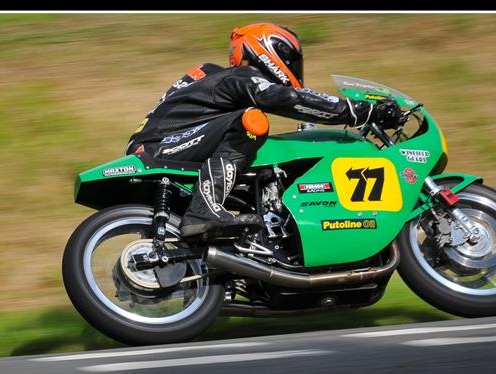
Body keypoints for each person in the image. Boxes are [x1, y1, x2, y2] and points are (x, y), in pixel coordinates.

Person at [125, 22, 403, 239]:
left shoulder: (217, 80)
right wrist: (360, 110)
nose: (295, 68)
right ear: (271, 51)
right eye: (291, 59)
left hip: (166, 143)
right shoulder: (241, 76)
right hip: (160, 146)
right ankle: (203, 211)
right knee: (251, 122)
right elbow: (289, 99)